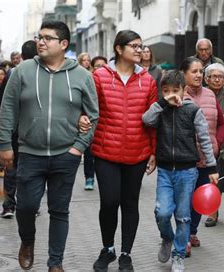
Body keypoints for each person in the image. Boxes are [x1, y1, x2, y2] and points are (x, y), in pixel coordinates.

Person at [0, 20, 99, 272]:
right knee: (26, 206)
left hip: (66, 155)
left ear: (63, 44)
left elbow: (93, 114)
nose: (40, 42)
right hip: (30, 153)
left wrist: (79, 146)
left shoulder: (82, 76)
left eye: (47, 38)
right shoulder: (22, 71)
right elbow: (8, 108)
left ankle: (56, 263)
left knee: (59, 210)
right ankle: (28, 242)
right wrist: (5, 145)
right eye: (39, 37)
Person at [89, 30, 157, 272]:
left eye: (141, 46)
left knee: (130, 203)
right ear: (119, 49)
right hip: (105, 150)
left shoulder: (147, 80)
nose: (139, 50)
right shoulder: (99, 76)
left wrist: (153, 151)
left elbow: (152, 119)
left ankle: (126, 254)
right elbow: (89, 110)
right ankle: (108, 249)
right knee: (109, 201)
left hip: (137, 152)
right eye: (134, 46)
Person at [142, 70, 219, 272]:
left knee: (183, 216)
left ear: (184, 90)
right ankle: (167, 238)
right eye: (166, 91)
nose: (171, 94)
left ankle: (178, 255)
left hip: (188, 172)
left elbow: (204, 140)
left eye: (175, 90)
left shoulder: (193, 110)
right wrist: (163, 103)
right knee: (162, 212)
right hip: (165, 170)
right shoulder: (160, 109)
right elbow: (146, 119)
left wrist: (212, 167)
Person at [181, 57, 224, 256]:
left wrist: (218, 142)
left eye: (201, 71)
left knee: (200, 198)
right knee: (184, 198)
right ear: (184, 74)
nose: (199, 75)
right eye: (194, 71)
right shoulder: (178, 94)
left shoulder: (209, 95)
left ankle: (191, 232)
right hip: (184, 158)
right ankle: (181, 235)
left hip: (207, 158)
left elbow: (222, 123)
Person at [0, 40, 38, 219]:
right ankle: (28, 206)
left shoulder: (13, 72)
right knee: (29, 170)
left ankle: (9, 205)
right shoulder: (35, 72)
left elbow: (2, 102)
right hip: (30, 129)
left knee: (12, 169)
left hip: (13, 129)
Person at [203, 63, 224, 227]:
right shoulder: (201, 93)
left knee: (219, 179)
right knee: (205, 179)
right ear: (207, 78)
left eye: (221, 77)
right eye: (214, 77)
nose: (217, 80)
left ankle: (212, 212)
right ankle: (209, 209)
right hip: (202, 143)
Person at [77, 52, 96, 191]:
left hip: (92, 116)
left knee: (90, 150)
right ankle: (88, 177)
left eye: (88, 60)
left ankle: (90, 177)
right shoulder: (75, 75)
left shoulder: (94, 76)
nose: (87, 62)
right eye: (84, 60)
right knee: (84, 147)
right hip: (78, 116)